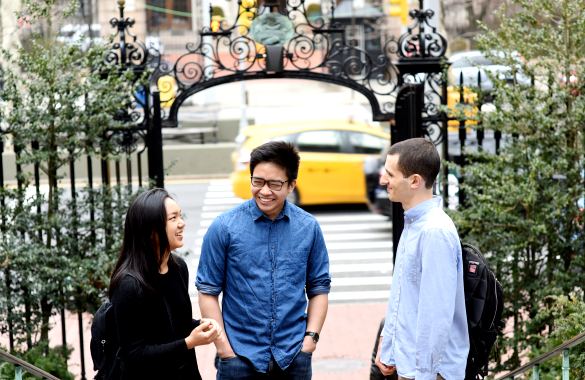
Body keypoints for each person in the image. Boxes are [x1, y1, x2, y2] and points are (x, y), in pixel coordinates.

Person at [196, 141, 331, 380]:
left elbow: (319, 288)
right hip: (238, 357)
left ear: (291, 185)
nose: (264, 191)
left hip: (293, 357)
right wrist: (225, 350)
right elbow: (208, 291)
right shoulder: (224, 227)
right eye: (257, 182)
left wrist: (310, 341)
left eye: (275, 184)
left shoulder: (309, 227)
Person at [375, 138, 469, 380]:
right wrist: (388, 347)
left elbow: (435, 315)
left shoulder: (433, 232)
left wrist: (424, 375)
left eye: (390, 174)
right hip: (412, 365)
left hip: (427, 371)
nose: (383, 180)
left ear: (414, 181)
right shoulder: (415, 223)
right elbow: (403, 296)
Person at [109, 188, 223, 380]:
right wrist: (188, 342)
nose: (182, 223)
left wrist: (202, 326)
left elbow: (175, 324)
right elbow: (135, 355)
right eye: (173, 218)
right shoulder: (129, 285)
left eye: (181, 216)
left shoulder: (178, 268)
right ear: (152, 230)